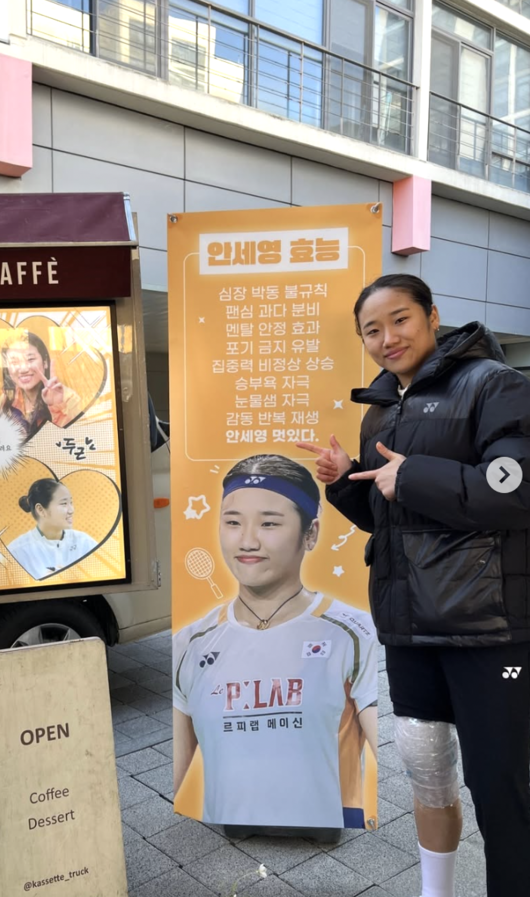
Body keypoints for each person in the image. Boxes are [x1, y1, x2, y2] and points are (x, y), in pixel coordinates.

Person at [297, 273, 530, 897]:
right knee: (426, 771)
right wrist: (347, 479)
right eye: (371, 330)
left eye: (399, 319)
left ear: (432, 316)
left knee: (501, 784)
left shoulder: (495, 384)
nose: (387, 338)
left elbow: (515, 488)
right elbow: (391, 518)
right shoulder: (380, 410)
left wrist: (414, 477)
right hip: (408, 623)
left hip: (490, 628)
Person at [173, 454, 378, 829]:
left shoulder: (353, 631)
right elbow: (178, 767)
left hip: (326, 827)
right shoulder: (190, 641)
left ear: (310, 533)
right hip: (227, 828)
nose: (247, 541)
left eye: (269, 523)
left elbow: (392, 747)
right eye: (232, 522)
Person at [7, 478, 98, 579]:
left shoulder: (85, 543)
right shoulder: (16, 552)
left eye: (71, 502)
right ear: (40, 510)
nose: (71, 510)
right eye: (64, 503)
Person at [0, 331, 81, 440]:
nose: (23, 369)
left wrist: (56, 406)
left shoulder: (69, 399)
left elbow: (76, 439)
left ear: (45, 362)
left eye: (30, 359)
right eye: (14, 362)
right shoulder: (6, 400)